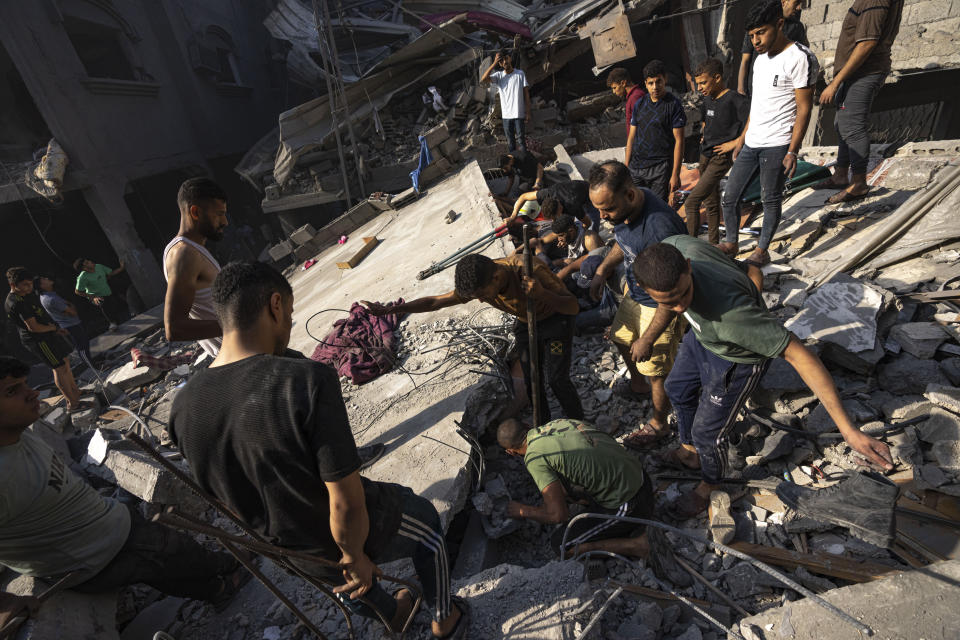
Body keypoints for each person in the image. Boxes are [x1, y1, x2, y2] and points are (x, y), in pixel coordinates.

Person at [169, 262, 467, 638]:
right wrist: (354, 554)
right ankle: (446, 619)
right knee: (425, 526)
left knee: (342, 582)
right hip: (340, 532)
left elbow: (222, 499)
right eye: (290, 314)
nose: (289, 324)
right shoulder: (304, 380)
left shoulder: (181, 409)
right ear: (275, 305)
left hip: (289, 548)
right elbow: (344, 500)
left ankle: (394, 615)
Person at [627, 236, 894, 518]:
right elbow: (739, 273)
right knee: (677, 388)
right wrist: (648, 338)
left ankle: (710, 487)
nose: (680, 307)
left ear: (689, 268)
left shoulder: (733, 317)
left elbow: (801, 356)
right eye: (668, 300)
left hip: (737, 359)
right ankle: (689, 453)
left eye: (684, 294)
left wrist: (848, 430)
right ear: (646, 288)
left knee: (708, 433)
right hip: (703, 339)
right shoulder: (678, 246)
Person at [0, 356, 248, 607]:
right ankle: (227, 569)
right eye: (12, 391)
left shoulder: (19, 433)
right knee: (166, 550)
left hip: (103, 524)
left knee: (158, 563)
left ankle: (219, 584)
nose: (31, 393)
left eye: (24, 384)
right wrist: (10, 604)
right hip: (91, 554)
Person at [364, 253, 583, 422]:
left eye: (482, 296)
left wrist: (543, 294)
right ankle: (543, 423)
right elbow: (434, 302)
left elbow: (572, 307)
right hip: (526, 323)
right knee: (531, 379)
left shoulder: (529, 269)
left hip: (556, 320)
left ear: (496, 278)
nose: (479, 301)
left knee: (556, 379)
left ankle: (580, 423)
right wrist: (389, 310)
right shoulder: (482, 281)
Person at [497, 417, 691, 585]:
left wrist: (522, 511)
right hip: (642, 479)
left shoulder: (534, 457)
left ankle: (638, 545)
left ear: (512, 453)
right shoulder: (559, 423)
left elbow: (558, 515)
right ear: (527, 424)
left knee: (563, 545)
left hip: (630, 503)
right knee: (568, 490)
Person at [586, 161, 686, 449]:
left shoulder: (659, 228)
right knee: (620, 337)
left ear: (629, 195)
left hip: (660, 304)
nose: (603, 217)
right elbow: (623, 241)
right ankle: (638, 385)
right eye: (599, 209)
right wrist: (603, 269)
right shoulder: (627, 210)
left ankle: (659, 424)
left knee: (656, 370)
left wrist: (649, 338)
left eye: (608, 209)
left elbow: (672, 293)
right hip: (637, 294)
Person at [719, 0, 818, 266]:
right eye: (751, 36)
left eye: (760, 33)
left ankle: (761, 250)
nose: (755, 41)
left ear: (779, 24)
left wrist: (793, 150)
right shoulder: (760, 61)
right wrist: (742, 138)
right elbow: (758, 103)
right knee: (730, 195)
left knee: (769, 197)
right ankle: (730, 241)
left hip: (778, 143)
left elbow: (804, 108)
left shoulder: (800, 58)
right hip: (752, 141)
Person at [816, 0, 903, 204]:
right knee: (841, 124)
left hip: (864, 72)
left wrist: (835, 83)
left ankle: (858, 184)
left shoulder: (875, 0)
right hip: (855, 73)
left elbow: (867, 43)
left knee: (853, 128)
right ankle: (840, 175)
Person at [686, 59, 750, 245]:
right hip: (704, 155)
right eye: (698, 84)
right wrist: (705, 132)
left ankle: (690, 248)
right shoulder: (708, 99)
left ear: (717, 78)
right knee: (711, 203)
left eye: (703, 83)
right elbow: (707, 118)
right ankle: (713, 244)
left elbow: (752, 123)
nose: (700, 88)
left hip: (720, 157)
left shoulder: (735, 100)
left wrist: (735, 143)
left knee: (691, 202)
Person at [163, 177, 227, 359]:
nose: (225, 222)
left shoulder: (192, 250)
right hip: (239, 358)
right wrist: (239, 324)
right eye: (219, 214)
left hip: (247, 353)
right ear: (196, 212)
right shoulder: (183, 254)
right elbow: (175, 328)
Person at [5, 268, 81, 411]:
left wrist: (55, 328)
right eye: (25, 285)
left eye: (30, 284)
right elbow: (33, 327)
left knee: (65, 362)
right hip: (38, 340)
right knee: (58, 368)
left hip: (47, 333)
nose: (29, 287)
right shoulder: (16, 302)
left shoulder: (26, 294)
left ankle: (76, 392)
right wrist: (52, 328)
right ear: (13, 286)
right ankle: (72, 403)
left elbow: (40, 316)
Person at [624, 60, 687, 205]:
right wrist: (626, 166)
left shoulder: (673, 105)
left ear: (665, 79)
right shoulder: (640, 104)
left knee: (657, 207)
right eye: (650, 83)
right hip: (636, 167)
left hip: (660, 168)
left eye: (658, 82)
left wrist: (675, 174)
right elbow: (632, 137)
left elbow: (679, 141)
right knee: (636, 206)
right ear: (645, 84)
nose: (655, 87)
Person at [737, 0, 808, 96]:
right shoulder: (758, 24)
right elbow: (745, 60)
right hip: (755, 91)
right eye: (796, 3)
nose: (799, 8)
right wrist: (741, 89)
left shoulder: (797, 27)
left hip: (781, 91)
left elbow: (804, 53)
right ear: (784, 2)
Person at [481, 50, 531, 152]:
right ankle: (514, 165)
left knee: (521, 141)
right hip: (506, 116)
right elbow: (484, 79)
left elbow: (526, 94)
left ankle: (525, 163)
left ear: (510, 58)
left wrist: (528, 112)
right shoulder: (499, 76)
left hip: (518, 114)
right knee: (511, 143)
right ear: (500, 64)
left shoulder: (520, 74)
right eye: (501, 61)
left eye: (506, 58)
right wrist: (494, 62)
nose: (504, 62)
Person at [36, 275, 92, 364]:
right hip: (71, 325)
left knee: (83, 345)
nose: (47, 278)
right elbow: (73, 312)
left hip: (69, 323)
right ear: (42, 286)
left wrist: (68, 307)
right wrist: (71, 306)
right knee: (82, 347)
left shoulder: (48, 295)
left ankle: (92, 364)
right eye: (44, 279)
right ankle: (91, 365)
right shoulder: (51, 299)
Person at [507, 179, 601, 232]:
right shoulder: (546, 194)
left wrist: (579, 234)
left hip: (588, 194)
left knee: (593, 222)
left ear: (559, 208)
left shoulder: (572, 206)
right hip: (571, 189)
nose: (553, 220)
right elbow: (523, 197)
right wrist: (513, 216)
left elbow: (587, 223)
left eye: (554, 217)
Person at [73, 258, 125, 330]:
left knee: (113, 306)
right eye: (87, 262)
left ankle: (117, 324)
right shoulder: (82, 278)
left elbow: (111, 273)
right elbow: (77, 291)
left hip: (107, 292)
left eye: (89, 261)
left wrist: (122, 268)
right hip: (95, 296)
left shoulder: (99, 266)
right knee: (102, 302)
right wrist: (92, 296)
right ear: (84, 268)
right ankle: (112, 323)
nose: (91, 261)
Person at [606, 67, 646, 135]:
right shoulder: (632, 97)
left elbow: (644, 124)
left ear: (623, 83)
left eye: (614, 88)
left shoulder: (635, 97)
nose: (614, 92)